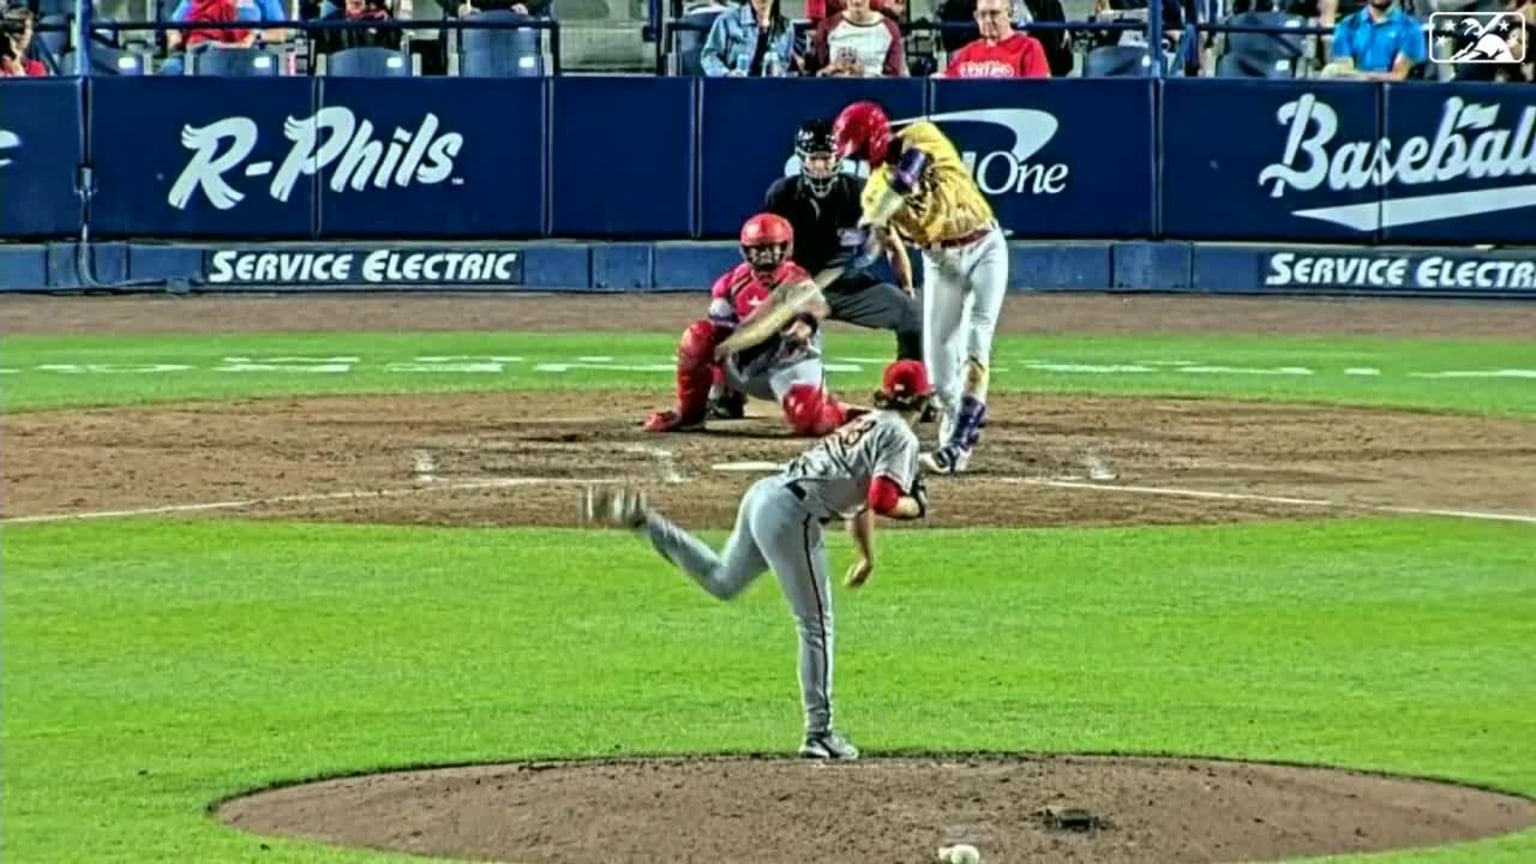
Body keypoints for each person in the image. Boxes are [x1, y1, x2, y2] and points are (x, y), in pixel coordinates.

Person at [583, 358, 936, 760]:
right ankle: (819, 732)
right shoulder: (901, 439)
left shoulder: (869, 422)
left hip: (765, 494)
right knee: (815, 625)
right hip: (794, 514)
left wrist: (865, 556)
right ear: (924, 400)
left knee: (722, 581)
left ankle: (646, 523)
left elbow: (861, 505)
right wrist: (915, 507)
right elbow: (883, 500)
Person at [831, 100, 1007, 476]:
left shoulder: (922, 135)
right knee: (941, 366)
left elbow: (909, 174)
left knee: (977, 339)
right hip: (939, 261)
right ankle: (960, 422)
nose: (862, 157)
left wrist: (876, 214)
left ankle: (957, 448)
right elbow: (881, 243)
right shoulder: (872, 191)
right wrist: (866, 242)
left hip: (984, 246)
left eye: (862, 148)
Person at [713, 119, 922, 422]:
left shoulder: (859, 193)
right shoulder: (782, 195)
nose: (821, 166)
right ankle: (726, 394)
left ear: (839, 158)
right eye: (814, 158)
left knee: (912, 315)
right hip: (795, 289)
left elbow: (890, 242)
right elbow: (768, 246)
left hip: (849, 285)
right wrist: (767, 296)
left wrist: (907, 288)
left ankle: (910, 393)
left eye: (827, 158)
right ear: (802, 159)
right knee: (744, 323)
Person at [643, 213, 859, 437]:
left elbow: (817, 307)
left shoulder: (798, 280)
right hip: (744, 364)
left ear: (787, 248)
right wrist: (721, 387)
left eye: (772, 249)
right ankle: (691, 414)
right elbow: (720, 338)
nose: (765, 257)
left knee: (812, 423)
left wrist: (804, 325)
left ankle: (843, 412)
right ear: (745, 251)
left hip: (788, 364)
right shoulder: (730, 284)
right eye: (758, 250)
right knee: (698, 337)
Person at [1320, 0, 1427, 80]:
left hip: (1396, 99)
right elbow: (1345, 69)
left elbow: (1398, 76)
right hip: (1354, 96)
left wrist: (1359, 76)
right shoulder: (1347, 25)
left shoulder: (1410, 28)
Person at [943, 0, 1051, 76]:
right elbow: (945, 82)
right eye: (982, 14)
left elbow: (1039, 94)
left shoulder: (1029, 48)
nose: (987, 20)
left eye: (994, 13)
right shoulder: (967, 52)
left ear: (1009, 14)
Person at [807, 0, 907, 76]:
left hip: (875, 96)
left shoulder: (890, 29)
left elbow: (894, 79)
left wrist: (863, 75)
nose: (857, 1)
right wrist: (829, 70)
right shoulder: (827, 26)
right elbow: (817, 74)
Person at [700, 0, 799, 76]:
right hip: (734, 90)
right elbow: (709, 56)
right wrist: (726, 74)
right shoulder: (727, 20)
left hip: (771, 92)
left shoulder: (786, 27)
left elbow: (785, 64)